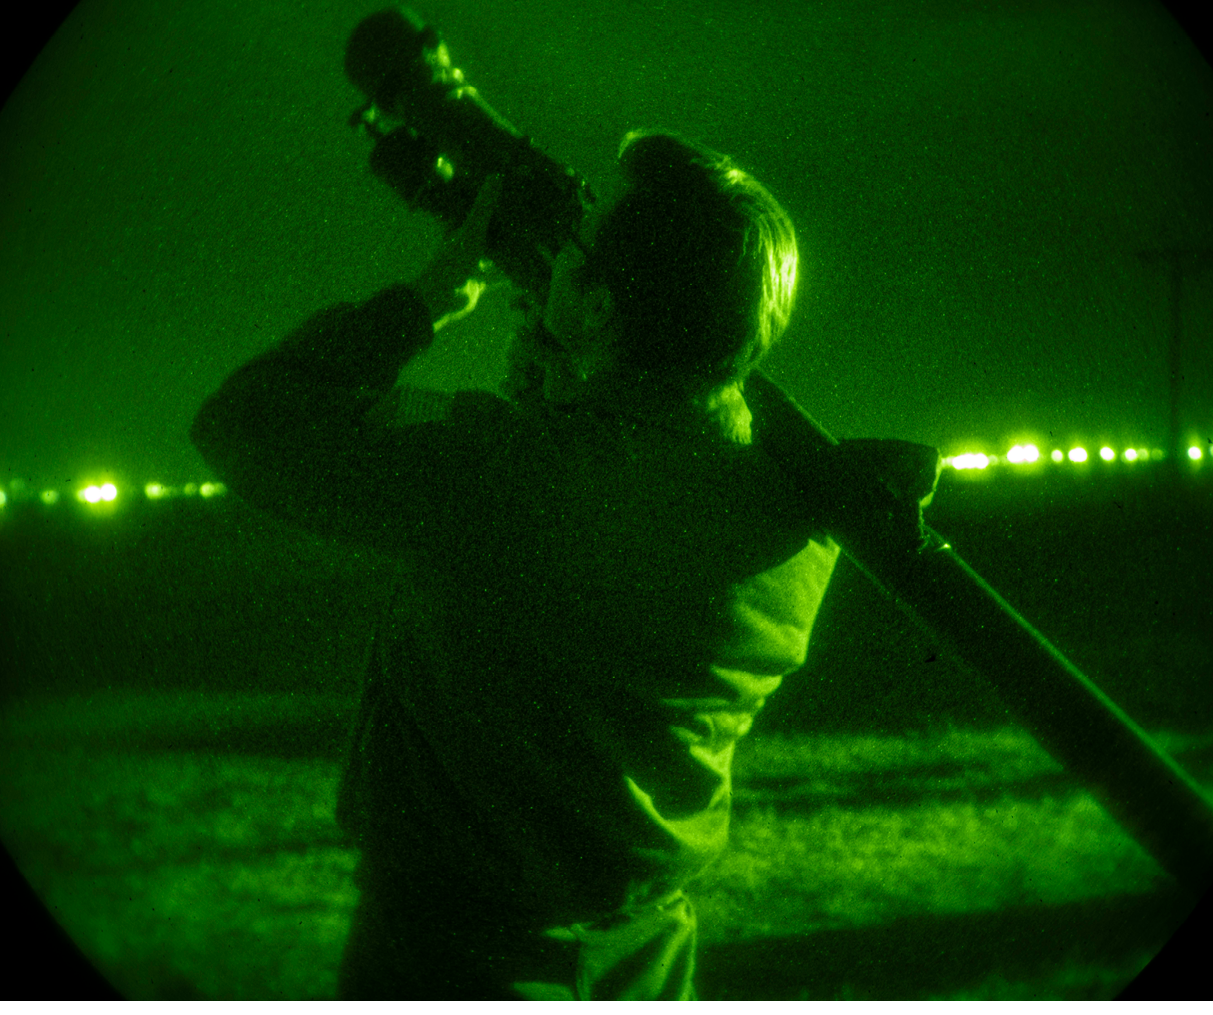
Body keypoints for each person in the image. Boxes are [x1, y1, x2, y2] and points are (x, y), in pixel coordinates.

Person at [190, 129, 841, 1000]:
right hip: (642, 952)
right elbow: (630, 483)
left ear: (603, 308)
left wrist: (424, 299)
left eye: (569, 251)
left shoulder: (503, 477)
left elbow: (244, 422)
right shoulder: (797, 521)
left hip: (449, 958)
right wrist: (575, 357)